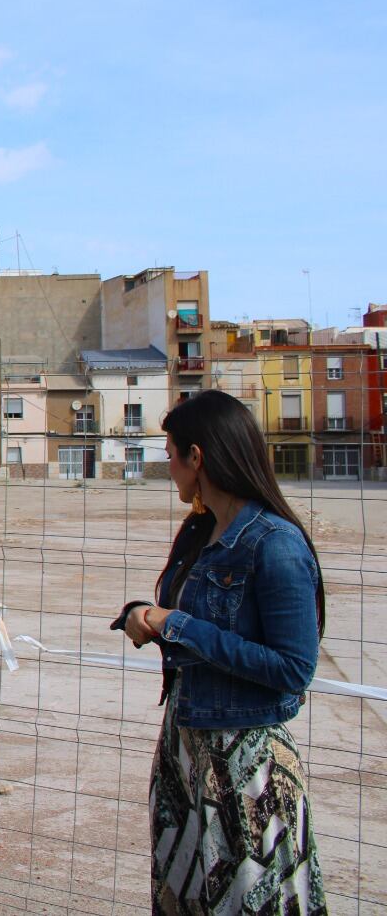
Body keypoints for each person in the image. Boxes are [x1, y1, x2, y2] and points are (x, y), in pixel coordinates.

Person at [112, 390, 327, 914]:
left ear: (197, 458)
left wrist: (176, 624)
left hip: (246, 769)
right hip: (187, 755)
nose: (169, 469)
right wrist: (148, 617)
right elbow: (199, 627)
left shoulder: (275, 543)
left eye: (170, 455)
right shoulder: (202, 531)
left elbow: (293, 668)